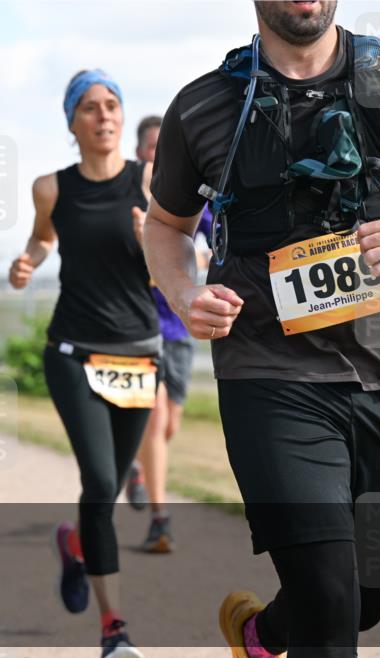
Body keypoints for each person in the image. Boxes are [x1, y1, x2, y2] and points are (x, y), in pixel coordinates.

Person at [145, 2, 380, 658]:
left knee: (364, 598)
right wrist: (184, 295)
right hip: (269, 375)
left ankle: (258, 637)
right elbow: (165, 225)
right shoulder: (204, 106)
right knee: (328, 596)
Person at [9, 70, 157, 658]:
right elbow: (43, 238)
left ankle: (73, 543)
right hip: (73, 351)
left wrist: (153, 241)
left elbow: (182, 262)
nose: (103, 116)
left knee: (109, 491)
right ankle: (114, 629)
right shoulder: (51, 187)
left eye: (112, 105)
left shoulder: (151, 182)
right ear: (72, 122)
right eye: (90, 108)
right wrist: (27, 261)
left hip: (139, 354)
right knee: (99, 484)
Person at [125, 115, 214, 553]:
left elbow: (223, 244)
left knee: (169, 425)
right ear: (139, 152)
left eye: (165, 146)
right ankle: (161, 521)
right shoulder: (125, 200)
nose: (158, 155)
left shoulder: (197, 200)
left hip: (178, 324)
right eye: (151, 147)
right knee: (155, 415)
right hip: (137, 326)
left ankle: (137, 466)